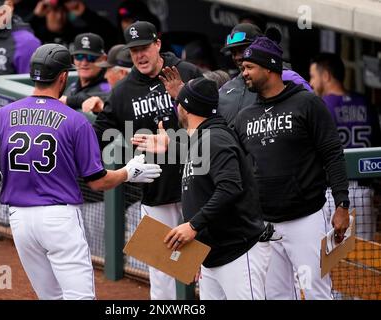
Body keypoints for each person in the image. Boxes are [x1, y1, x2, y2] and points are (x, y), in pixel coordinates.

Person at [0, 43, 162, 300]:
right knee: (79, 297)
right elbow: (97, 183)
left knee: (51, 298)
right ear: (63, 77)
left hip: (20, 221)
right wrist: (128, 172)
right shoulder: (75, 120)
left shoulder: (1, 115)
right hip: (59, 219)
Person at [232, 37, 350, 300]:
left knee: (316, 292)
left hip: (306, 219)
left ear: (270, 68)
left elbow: (333, 154)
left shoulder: (307, 104)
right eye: (243, 68)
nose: (244, 73)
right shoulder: (245, 117)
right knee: (275, 295)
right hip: (265, 224)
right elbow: (232, 163)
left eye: (250, 67)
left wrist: (342, 204)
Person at [133, 77, 270, 299]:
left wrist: (194, 226)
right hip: (212, 256)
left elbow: (230, 188)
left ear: (185, 108)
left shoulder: (215, 138)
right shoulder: (201, 139)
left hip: (237, 252)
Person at [94, 20, 202, 300]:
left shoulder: (187, 72)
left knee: (209, 269)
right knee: (161, 273)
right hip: (157, 191)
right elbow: (100, 129)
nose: (139, 55)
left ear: (158, 44)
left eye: (144, 48)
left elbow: (215, 120)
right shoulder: (123, 91)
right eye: (133, 51)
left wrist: (181, 110)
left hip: (200, 184)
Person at [310, 52, 381, 240]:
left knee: (333, 260)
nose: (311, 83)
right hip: (365, 189)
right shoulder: (365, 103)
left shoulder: (321, 105)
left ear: (326, 76)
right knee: (364, 257)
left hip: (334, 191)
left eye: (313, 76)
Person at [218, 23, 312, 126]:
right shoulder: (226, 89)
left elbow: (317, 117)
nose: (237, 57)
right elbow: (203, 124)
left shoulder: (288, 77)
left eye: (242, 50)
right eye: (233, 53)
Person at [59, 33, 110, 110]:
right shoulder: (71, 88)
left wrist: (69, 101)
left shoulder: (111, 86)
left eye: (91, 57)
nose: (84, 63)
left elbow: (107, 100)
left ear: (104, 59)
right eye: (79, 57)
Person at [82, 43, 133, 114]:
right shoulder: (121, 96)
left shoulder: (134, 99)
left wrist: (106, 111)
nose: (105, 76)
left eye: (108, 70)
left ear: (122, 73)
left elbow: (129, 124)